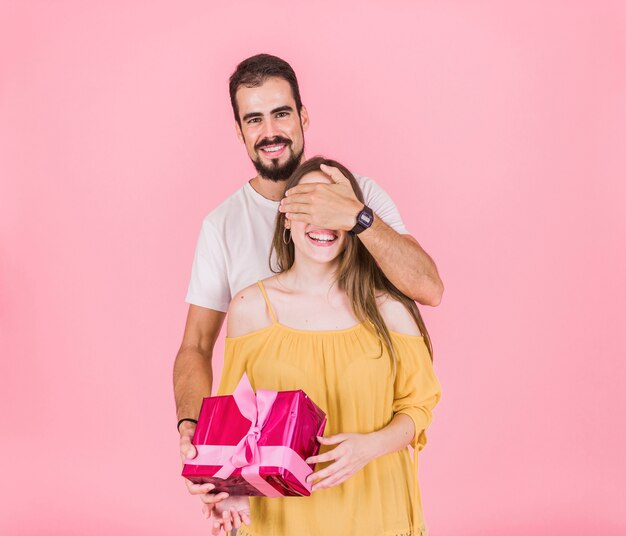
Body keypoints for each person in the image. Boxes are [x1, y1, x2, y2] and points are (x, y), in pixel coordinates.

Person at [173, 54, 444, 526]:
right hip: (283, 496)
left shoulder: (361, 195)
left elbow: (428, 287)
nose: (270, 130)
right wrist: (201, 445)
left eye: (281, 113)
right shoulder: (224, 230)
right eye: (254, 119)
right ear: (240, 131)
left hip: (368, 483)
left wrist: (356, 216)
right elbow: (198, 349)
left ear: (303, 116)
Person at [207, 156, 441, 536]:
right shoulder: (251, 308)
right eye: (308, 205)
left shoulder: (391, 309)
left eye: (334, 207)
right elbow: (236, 424)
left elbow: (419, 408)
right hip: (284, 522)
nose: (322, 222)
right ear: (287, 218)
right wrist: (231, 493)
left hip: (377, 513)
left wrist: (371, 446)